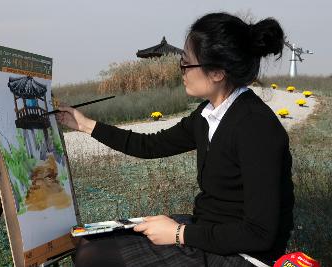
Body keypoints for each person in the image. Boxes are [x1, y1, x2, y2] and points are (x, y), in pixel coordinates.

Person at [56, 12, 295, 267]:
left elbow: (259, 234)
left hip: (243, 256)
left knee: (92, 256)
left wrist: (179, 233)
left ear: (216, 72)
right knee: (89, 240)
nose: (181, 70)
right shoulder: (208, 114)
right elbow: (150, 145)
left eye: (186, 63)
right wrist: (84, 124)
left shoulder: (255, 126)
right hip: (208, 231)